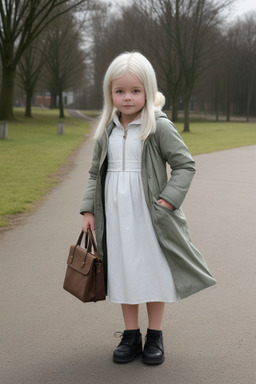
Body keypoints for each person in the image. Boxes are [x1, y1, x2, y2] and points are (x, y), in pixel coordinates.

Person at [80, 52, 216, 365]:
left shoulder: (158, 127)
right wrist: (89, 209)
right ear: (110, 93)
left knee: (152, 271)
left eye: (135, 91)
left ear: (148, 91)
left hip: (149, 216)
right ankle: (130, 335)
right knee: (124, 271)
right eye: (120, 91)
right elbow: (93, 174)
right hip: (114, 214)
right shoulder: (107, 130)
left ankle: (154, 334)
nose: (127, 98)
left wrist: (168, 199)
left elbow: (185, 165)